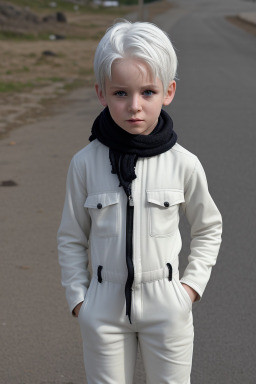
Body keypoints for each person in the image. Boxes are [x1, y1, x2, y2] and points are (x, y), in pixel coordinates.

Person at [57, 20, 222, 384]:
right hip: (102, 309)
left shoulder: (184, 163)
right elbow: (71, 236)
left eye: (148, 92)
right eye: (121, 93)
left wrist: (190, 288)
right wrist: (80, 301)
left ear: (169, 91)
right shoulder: (85, 163)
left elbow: (209, 227)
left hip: (167, 307)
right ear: (101, 93)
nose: (134, 106)